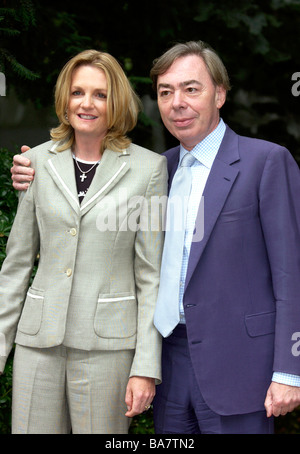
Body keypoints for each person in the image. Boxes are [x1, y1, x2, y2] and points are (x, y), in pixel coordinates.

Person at [10, 40, 300, 434]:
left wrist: (290, 369)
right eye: (166, 92)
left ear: (220, 94)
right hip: (172, 360)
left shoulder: (265, 161)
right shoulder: (160, 169)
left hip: (239, 364)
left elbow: (291, 275)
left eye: (191, 89)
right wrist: (30, 171)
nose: (176, 102)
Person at [1, 49, 167, 434]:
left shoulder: (151, 169)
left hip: (107, 349)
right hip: (36, 344)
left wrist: (145, 366)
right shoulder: (35, 164)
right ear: (65, 99)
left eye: (100, 94)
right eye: (78, 92)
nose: (86, 103)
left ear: (117, 103)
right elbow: (17, 264)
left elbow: (151, 274)